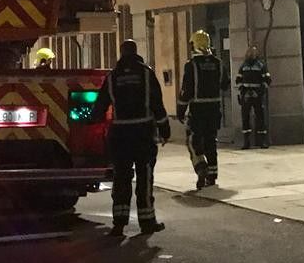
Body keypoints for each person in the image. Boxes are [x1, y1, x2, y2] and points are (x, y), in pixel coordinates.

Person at [91, 39, 169, 235]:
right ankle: (147, 221)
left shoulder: (113, 76)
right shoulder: (146, 73)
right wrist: (164, 128)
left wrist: (92, 121)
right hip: (143, 133)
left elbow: (101, 105)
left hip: (120, 135)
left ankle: (119, 223)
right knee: (145, 178)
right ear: (136, 52)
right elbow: (157, 103)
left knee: (121, 178)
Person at [178, 30, 228, 188]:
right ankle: (212, 176)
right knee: (211, 142)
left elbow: (186, 90)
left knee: (193, 141)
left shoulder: (191, 65)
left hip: (198, 110)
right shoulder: (218, 63)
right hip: (214, 109)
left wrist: (180, 110)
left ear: (195, 44)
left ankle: (201, 167)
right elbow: (225, 84)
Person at [236, 43, 271, 149]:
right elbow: (238, 80)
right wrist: (244, 92)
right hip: (246, 95)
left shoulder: (261, 65)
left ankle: (262, 141)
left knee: (260, 117)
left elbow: (267, 80)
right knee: (245, 118)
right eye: (250, 52)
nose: (252, 54)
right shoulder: (243, 66)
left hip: (257, 95)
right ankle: (246, 142)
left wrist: (259, 92)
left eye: (254, 52)